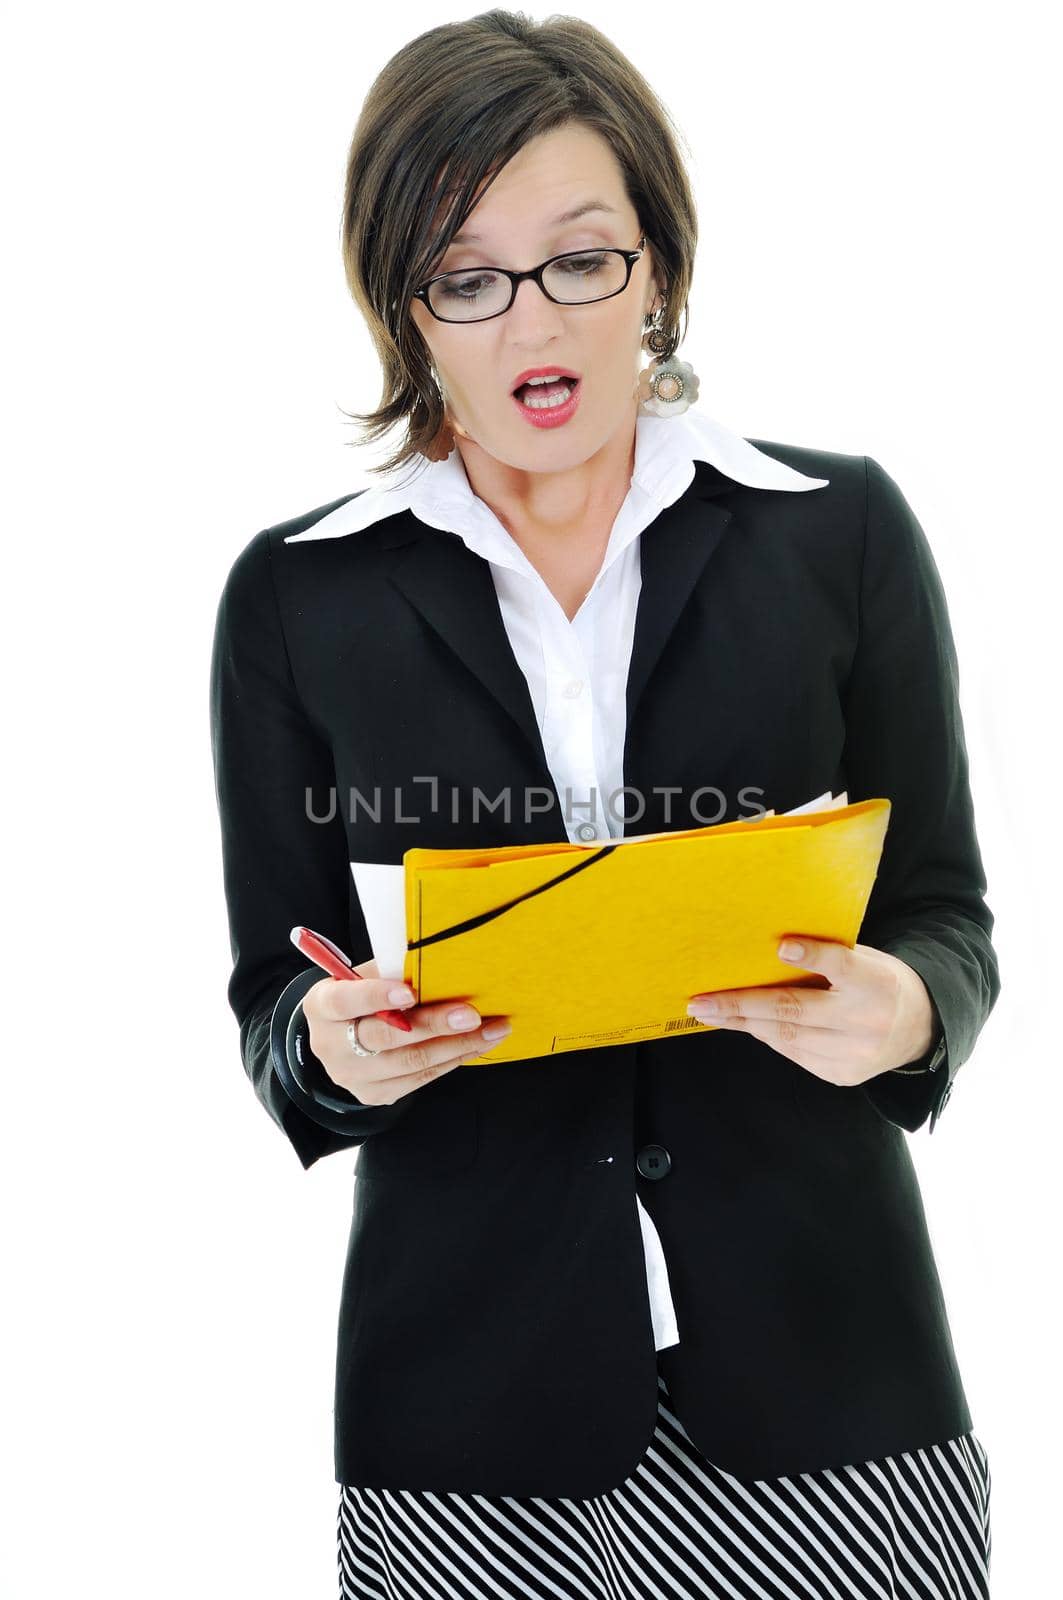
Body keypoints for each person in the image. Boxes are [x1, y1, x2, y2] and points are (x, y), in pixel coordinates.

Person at [209, 11, 998, 1598]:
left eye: (582, 259)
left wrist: (907, 1011)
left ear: (658, 264)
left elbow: (946, 918)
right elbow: (273, 1007)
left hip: (834, 1391)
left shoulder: (837, 534)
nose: (533, 323)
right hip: (465, 1425)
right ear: (405, 305)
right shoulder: (301, 600)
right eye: (467, 276)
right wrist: (335, 1046)